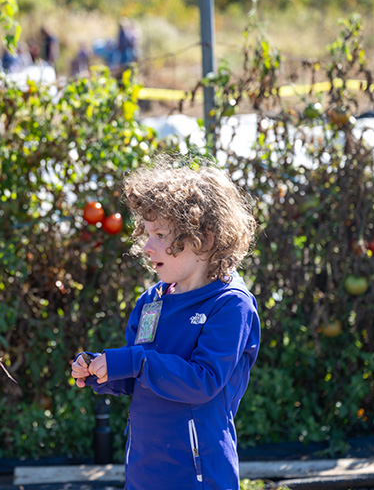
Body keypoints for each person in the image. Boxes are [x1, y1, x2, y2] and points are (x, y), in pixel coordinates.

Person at [71, 156, 260, 490]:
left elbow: (202, 382)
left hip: (199, 477)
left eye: (160, 234)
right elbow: (139, 373)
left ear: (206, 239)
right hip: (144, 473)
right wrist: (102, 371)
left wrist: (132, 361)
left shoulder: (230, 304)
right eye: (146, 233)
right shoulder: (152, 301)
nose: (146, 246)